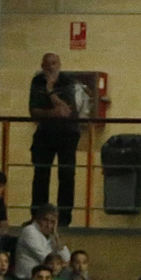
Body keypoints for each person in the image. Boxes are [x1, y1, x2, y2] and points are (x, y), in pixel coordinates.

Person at [28, 53, 85, 223]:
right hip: (45, 134)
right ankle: (38, 216)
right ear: (42, 66)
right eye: (47, 65)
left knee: (66, 175)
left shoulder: (67, 81)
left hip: (67, 134)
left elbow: (66, 111)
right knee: (41, 175)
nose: (51, 67)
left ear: (59, 65)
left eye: (54, 64)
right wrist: (53, 113)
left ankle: (64, 218)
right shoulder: (37, 81)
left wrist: (50, 91)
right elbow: (33, 112)